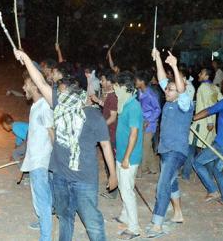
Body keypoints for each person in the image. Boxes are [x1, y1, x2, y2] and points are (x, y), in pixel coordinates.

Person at [13, 49, 117, 241]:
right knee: (65, 218)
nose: (59, 96)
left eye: (62, 92)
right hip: (60, 175)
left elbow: (105, 146)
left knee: (92, 222)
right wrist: (26, 57)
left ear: (76, 93)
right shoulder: (61, 106)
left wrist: (113, 174)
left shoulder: (94, 116)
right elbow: (40, 82)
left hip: (84, 179)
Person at [146, 49, 193, 238]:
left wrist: (173, 65)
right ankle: (178, 214)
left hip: (176, 150)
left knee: (163, 184)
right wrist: (158, 60)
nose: (166, 90)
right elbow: (162, 78)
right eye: (166, 88)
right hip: (165, 149)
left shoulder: (184, 102)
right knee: (171, 181)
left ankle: (157, 224)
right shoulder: (170, 96)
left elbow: (180, 90)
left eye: (170, 89)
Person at [20, 70, 54, 241]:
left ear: (34, 85)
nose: (23, 87)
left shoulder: (44, 107)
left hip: (41, 161)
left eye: (26, 84)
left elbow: (52, 134)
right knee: (38, 196)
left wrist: (57, 161)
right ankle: (43, 222)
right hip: (34, 160)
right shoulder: (35, 106)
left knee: (43, 200)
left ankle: (46, 237)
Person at [113, 71, 143, 240]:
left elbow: (134, 134)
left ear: (125, 87)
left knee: (127, 191)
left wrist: (126, 157)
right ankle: (125, 215)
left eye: (117, 86)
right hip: (123, 153)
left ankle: (134, 227)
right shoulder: (125, 102)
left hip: (129, 157)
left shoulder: (134, 106)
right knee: (124, 187)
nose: (115, 88)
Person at [182, 68, 223, 180]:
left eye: (201, 73)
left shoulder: (203, 87)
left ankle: (186, 174)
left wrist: (209, 121)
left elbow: (207, 105)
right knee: (206, 148)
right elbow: (222, 102)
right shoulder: (215, 87)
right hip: (210, 123)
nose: (199, 74)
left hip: (201, 123)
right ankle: (208, 174)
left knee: (191, 148)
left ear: (207, 76)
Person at [91, 69, 118, 199]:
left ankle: (113, 191)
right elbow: (107, 109)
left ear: (109, 81)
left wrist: (100, 127)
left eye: (102, 80)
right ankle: (111, 185)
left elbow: (113, 117)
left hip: (111, 132)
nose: (101, 83)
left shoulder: (113, 96)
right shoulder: (110, 95)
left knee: (111, 161)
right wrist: (98, 101)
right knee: (109, 160)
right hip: (109, 131)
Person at [135, 70, 161, 176]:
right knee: (147, 145)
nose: (134, 82)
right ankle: (154, 168)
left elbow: (158, 109)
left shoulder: (151, 94)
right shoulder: (139, 92)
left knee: (144, 146)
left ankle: (141, 170)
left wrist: (149, 120)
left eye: (136, 80)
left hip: (150, 123)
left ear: (142, 81)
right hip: (142, 121)